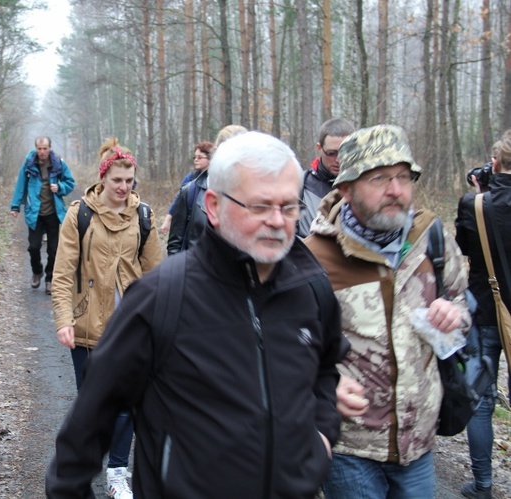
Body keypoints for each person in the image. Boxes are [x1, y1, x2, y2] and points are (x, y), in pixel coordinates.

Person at [46, 131, 346, 498]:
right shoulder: (160, 299)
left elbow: (327, 370)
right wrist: (66, 317)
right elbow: (83, 435)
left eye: (288, 207)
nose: (277, 221)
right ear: (214, 206)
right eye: (259, 206)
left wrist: (321, 436)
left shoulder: (311, 287)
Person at [305, 124, 471, 498]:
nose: (396, 190)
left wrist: (455, 314)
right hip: (351, 447)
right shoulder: (314, 257)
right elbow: (288, 347)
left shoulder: (432, 238)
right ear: (345, 189)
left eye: (402, 177)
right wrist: (325, 384)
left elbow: (463, 301)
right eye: (379, 178)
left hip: (420, 443)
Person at [51, 138, 162, 498]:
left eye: (129, 180)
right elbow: (63, 273)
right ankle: (81, 472)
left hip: (130, 327)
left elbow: (158, 276)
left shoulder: (143, 216)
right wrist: (64, 319)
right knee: (94, 405)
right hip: (87, 327)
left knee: (128, 403)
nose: (123, 187)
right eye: (117, 180)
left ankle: (117, 471)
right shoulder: (79, 214)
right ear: (103, 178)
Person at [454, 130, 511, 499]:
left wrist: (477, 194)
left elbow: (463, 245)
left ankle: (484, 484)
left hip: (487, 309)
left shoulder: (475, 204)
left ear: (494, 163)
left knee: (483, 401)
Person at [166, 125, 247, 254]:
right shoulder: (191, 192)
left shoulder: (254, 197)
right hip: (196, 272)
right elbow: (175, 245)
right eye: (230, 152)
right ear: (216, 151)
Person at [10, 136, 75, 294]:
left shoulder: (58, 163)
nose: (42, 151)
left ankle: (50, 279)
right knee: (34, 247)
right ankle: (37, 271)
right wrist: (15, 206)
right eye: (39, 148)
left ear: (50, 148)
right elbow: (21, 184)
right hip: (35, 213)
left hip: (53, 213)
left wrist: (59, 187)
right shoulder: (29, 164)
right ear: (36, 148)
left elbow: (70, 182)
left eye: (45, 148)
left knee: (53, 249)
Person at [297, 118, 355, 238]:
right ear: (319, 148)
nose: (338, 160)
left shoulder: (364, 187)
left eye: (345, 152)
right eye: (331, 153)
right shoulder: (300, 185)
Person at [158, 140, 214, 235]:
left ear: (209, 159)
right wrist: (167, 220)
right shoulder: (190, 179)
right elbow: (178, 200)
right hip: (191, 226)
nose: (196, 160)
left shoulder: (216, 180)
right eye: (195, 157)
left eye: (200, 157)